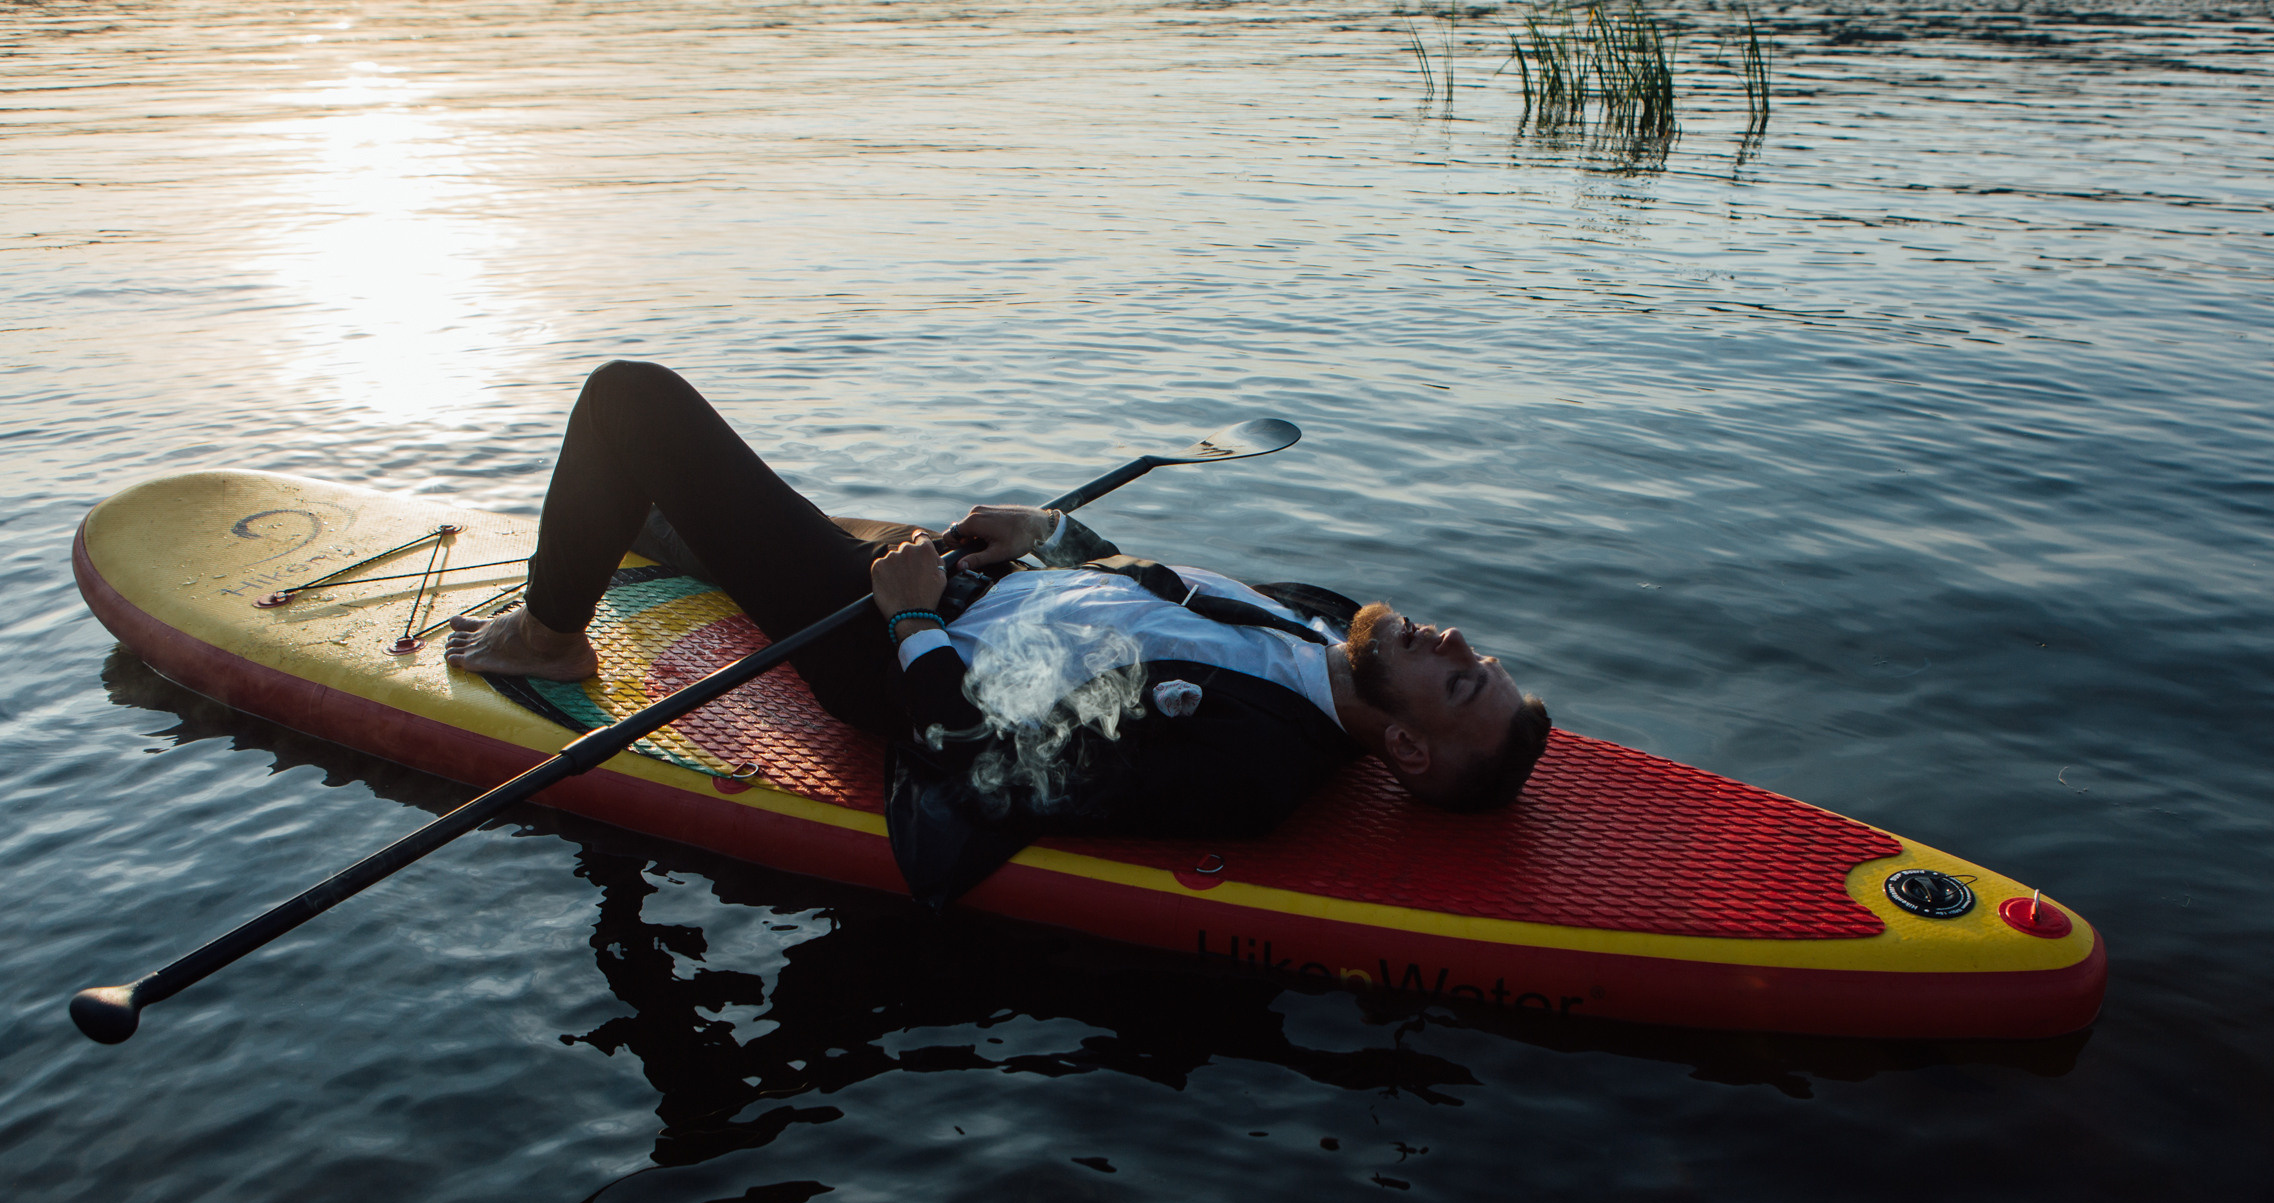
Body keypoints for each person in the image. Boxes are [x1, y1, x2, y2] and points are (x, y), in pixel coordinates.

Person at [446, 361, 1549, 903]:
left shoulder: (1250, 766)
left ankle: (549, 636)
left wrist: (913, 616)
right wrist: (1050, 534)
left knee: (630, 401)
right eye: (1479, 657)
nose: (1455, 640)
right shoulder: (1331, 622)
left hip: (891, 654)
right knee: (693, 513)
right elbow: (1156, 596)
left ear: (1407, 750)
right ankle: (649, 526)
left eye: (1461, 681)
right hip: (983, 581)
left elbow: (985, 768)